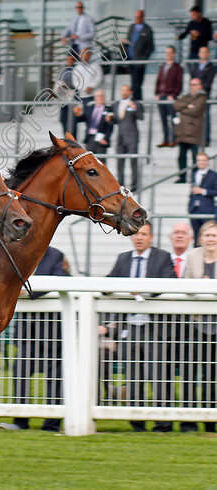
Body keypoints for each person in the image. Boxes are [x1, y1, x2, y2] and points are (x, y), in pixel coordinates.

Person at [103, 221, 175, 432]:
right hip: (130, 328)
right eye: (136, 234)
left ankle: (163, 423)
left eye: (144, 234)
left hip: (154, 328)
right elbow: (108, 282)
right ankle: (137, 423)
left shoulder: (162, 257)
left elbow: (169, 281)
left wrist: (140, 290)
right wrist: (124, 291)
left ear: (151, 237)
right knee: (133, 377)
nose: (139, 237)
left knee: (159, 375)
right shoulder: (123, 259)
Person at [0, 246, 67, 432]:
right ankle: (20, 421)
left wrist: (27, 291)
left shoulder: (55, 255)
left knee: (54, 378)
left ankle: (51, 424)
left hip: (51, 333)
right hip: (28, 333)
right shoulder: (20, 252)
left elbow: (57, 281)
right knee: (20, 370)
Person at [182, 220, 217, 433]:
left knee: (213, 374)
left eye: (214, 236)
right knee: (190, 372)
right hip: (196, 323)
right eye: (207, 235)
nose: (211, 239)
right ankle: (188, 421)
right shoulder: (193, 256)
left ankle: (211, 421)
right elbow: (186, 285)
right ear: (200, 238)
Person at [108, 84, 143, 190]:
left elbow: (141, 117)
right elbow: (116, 120)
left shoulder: (135, 103)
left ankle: (135, 184)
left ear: (130, 92)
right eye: (122, 90)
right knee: (120, 161)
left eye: (126, 91)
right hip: (120, 136)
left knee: (133, 161)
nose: (124, 92)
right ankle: (120, 183)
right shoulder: (116, 104)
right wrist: (110, 119)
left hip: (132, 136)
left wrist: (135, 108)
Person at [174, 78, 207, 183]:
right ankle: (182, 177)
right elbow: (176, 105)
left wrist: (183, 108)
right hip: (183, 132)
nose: (192, 86)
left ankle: (194, 178)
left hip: (193, 132)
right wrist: (188, 105)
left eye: (194, 84)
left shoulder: (202, 97)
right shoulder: (186, 96)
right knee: (181, 156)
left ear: (200, 86)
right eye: (191, 84)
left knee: (194, 157)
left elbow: (196, 111)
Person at [122, 10, 153, 101]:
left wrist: (144, 59)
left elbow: (150, 47)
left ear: (143, 17)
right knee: (134, 83)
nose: (137, 19)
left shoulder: (147, 30)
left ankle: (137, 102)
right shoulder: (132, 27)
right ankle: (136, 102)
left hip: (139, 61)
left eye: (139, 17)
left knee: (137, 84)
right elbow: (129, 41)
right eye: (135, 17)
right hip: (131, 59)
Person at [155, 46, 183, 148]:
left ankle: (174, 139)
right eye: (167, 52)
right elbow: (158, 81)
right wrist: (157, 93)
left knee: (173, 120)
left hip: (170, 97)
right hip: (162, 96)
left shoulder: (177, 68)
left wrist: (174, 95)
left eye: (170, 52)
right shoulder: (163, 66)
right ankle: (166, 139)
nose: (168, 54)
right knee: (163, 120)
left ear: (174, 54)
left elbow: (179, 84)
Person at [74, 89, 112, 155]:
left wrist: (106, 138)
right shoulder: (89, 108)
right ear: (95, 98)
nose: (101, 97)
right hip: (90, 137)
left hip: (101, 138)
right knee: (89, 160)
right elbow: (81, 119)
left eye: (102, 96)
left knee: (100, 161)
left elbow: (110, 126)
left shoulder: (109, 109)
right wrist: (77, 114)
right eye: (99, 96)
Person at [190, 46, 215, 146]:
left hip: (205, 95)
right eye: (201, 52)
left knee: (205, 118)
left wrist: (198, 88)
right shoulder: (195, 66)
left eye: (205, 52)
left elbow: (208, 82)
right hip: (194, 96)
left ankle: (206, 140)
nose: (203, 54)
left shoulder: (211, 67)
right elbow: (192, 79)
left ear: (208, 54)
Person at [189, 153, 217, 237]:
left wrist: (203, 191)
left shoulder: (213, 175)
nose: (201, 162)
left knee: (206, 234)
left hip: (207, 209)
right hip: (194, 209)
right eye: (199, 160)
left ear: (207, 161)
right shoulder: (194, 173)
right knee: (196, 236)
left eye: (203, 160)